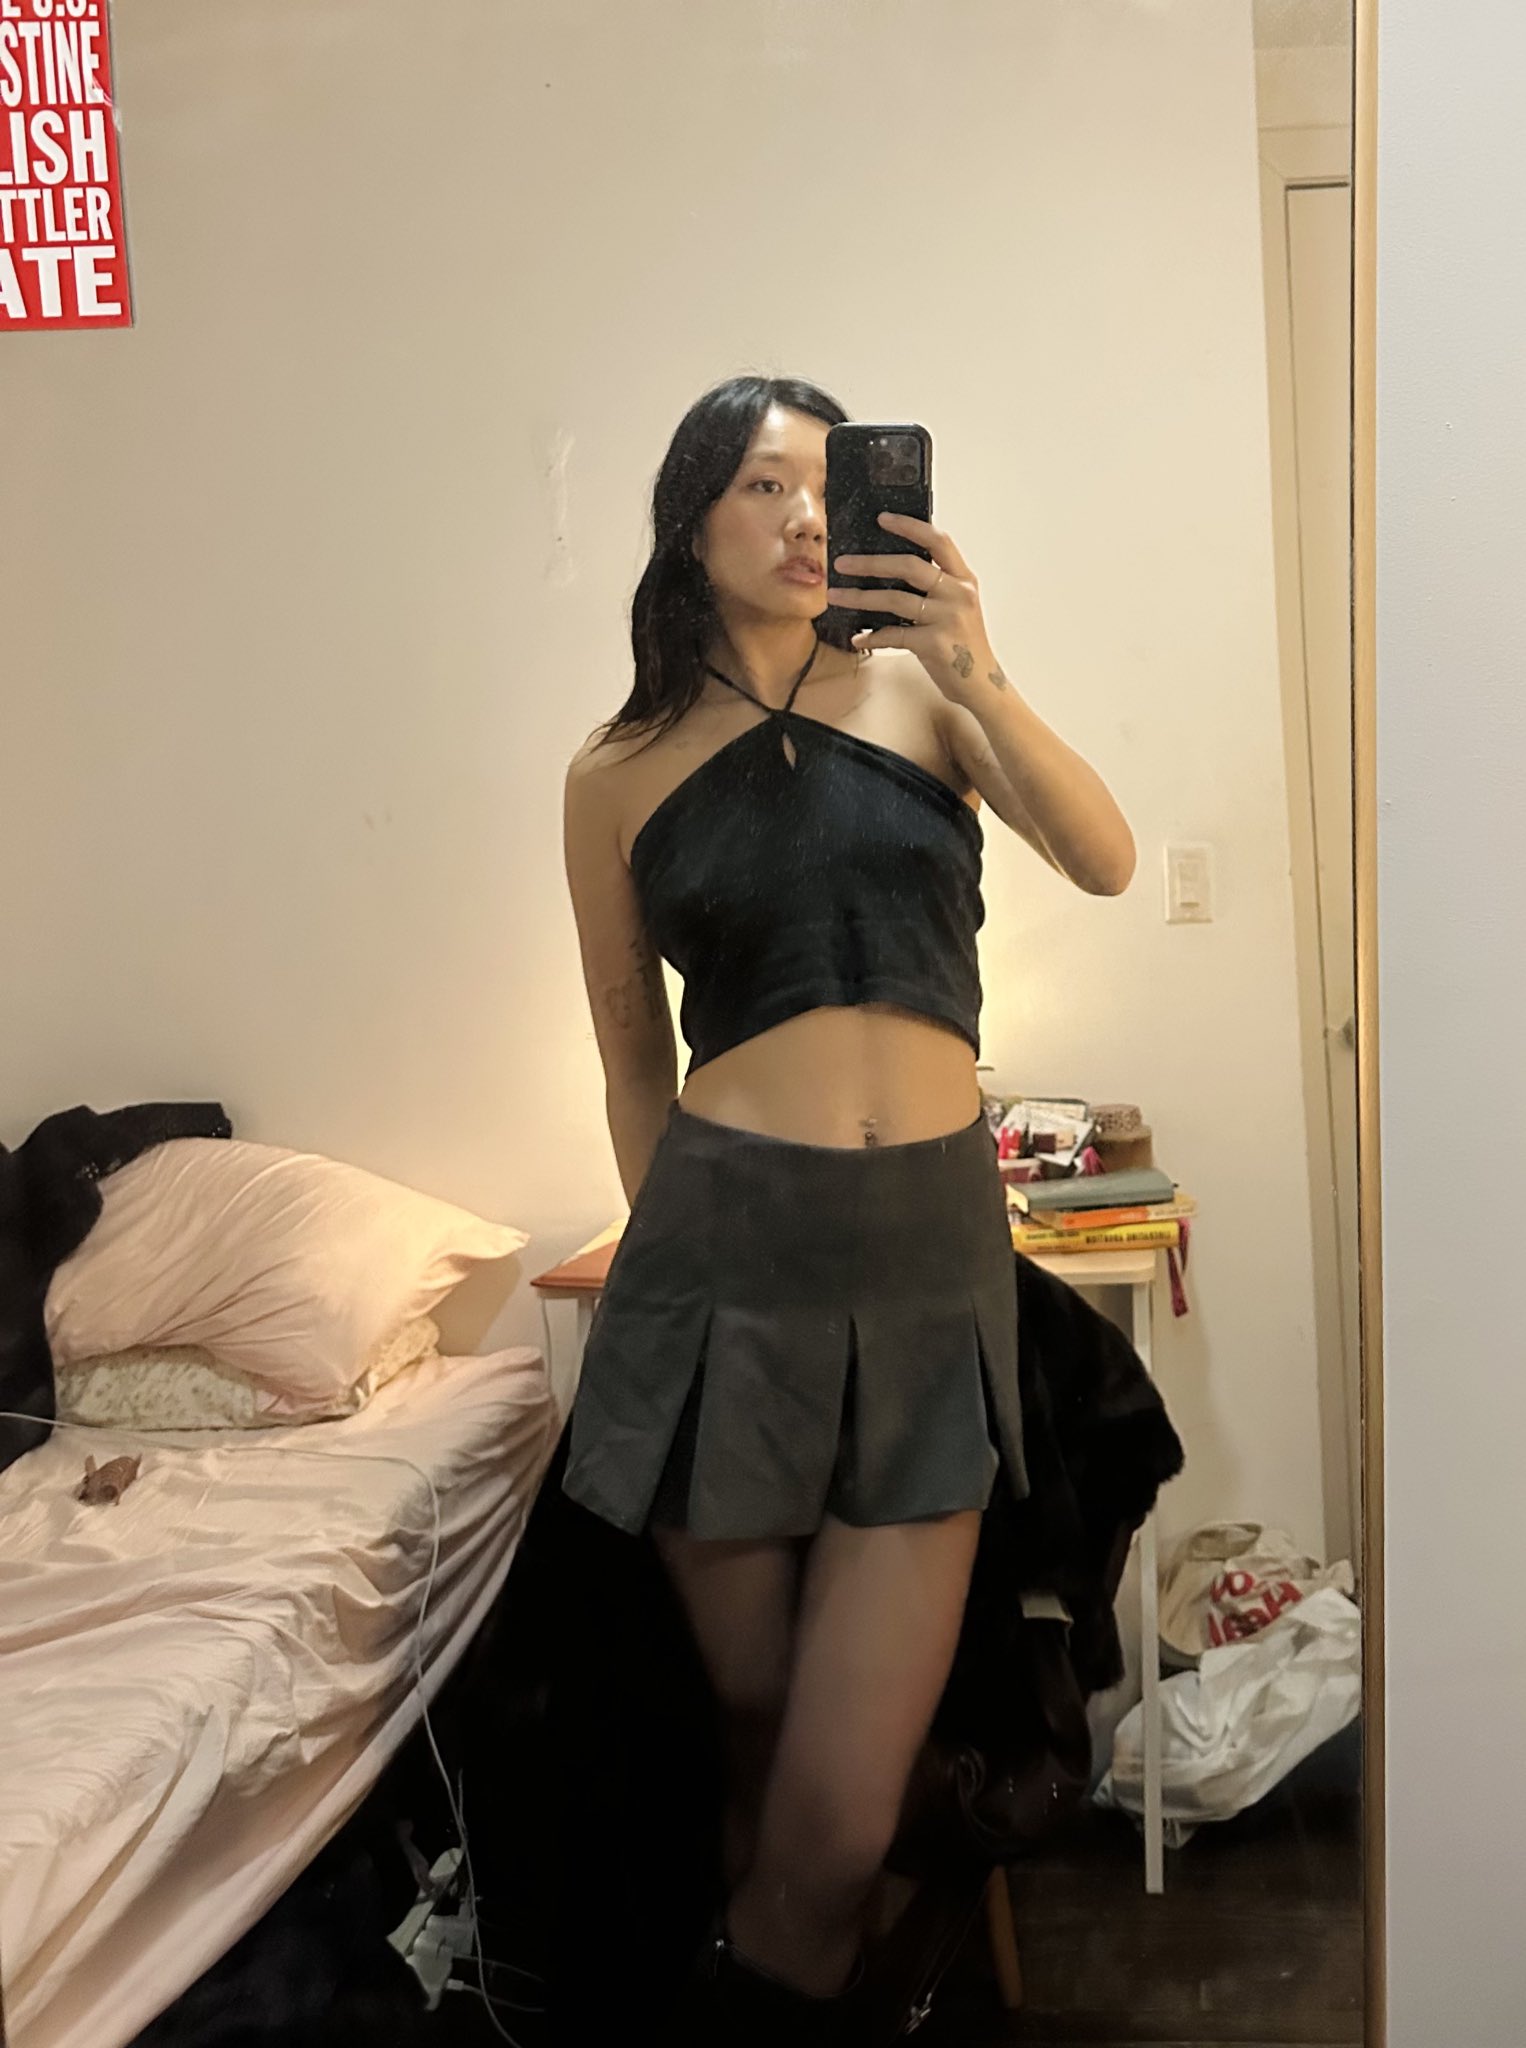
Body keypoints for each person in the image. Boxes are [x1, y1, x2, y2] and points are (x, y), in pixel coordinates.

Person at [559, 374, 1134, 2039]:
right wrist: (674, 1276)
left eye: (828, 485)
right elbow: (629, 1056)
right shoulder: (614, 770)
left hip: (925, 1272)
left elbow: (1102, 856)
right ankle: (837, 1978)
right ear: (687, 522)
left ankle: (774, 1980)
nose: (806, 516)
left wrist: (976, 667)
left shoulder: (921, 699)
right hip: (717, 1270)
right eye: (762, 484)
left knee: (833, 1805)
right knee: (752, 1735)